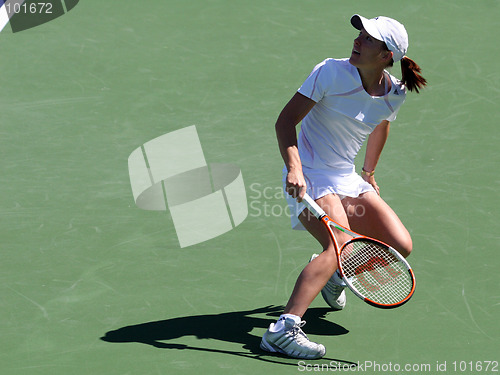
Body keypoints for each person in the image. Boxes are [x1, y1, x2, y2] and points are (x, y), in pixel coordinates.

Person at [259, 14, 427, 359]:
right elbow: (285, 121)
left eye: (368, 39)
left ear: (385, 56)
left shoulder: (395, 93)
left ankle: (335, 273)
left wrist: (369, 171)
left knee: (400, 245)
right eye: (360, 34)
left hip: (345, 177)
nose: (357, 40)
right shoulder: (331, 72)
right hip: (311, 174)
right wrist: (295, 168)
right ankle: (283, 329)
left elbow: (381, 124)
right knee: (342, 247)